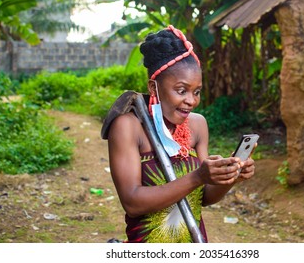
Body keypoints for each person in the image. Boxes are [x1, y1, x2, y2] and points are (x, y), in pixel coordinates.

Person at [105, 25, 256, 243]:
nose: (191, 101)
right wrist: (197, 176)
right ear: (154, 88)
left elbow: (203, 197)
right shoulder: (127, 126)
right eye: (181, 90)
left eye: (197, 92)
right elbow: (132, 203)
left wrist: (230, 177)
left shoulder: (198, 125)